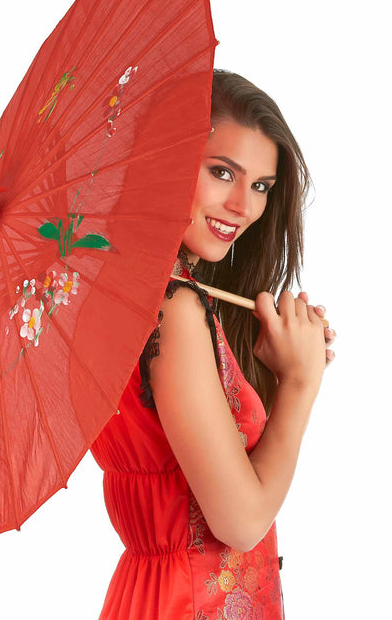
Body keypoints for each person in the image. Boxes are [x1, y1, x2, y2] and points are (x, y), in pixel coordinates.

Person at [90, 69, 335, 619]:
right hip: (188, 602)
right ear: (166, 160)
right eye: (222, 172)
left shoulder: (134, 289)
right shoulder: (173, 307)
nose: (244, 206)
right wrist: (299, 385)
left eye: (261, 186)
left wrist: (281, 364)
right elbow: (241, 523)